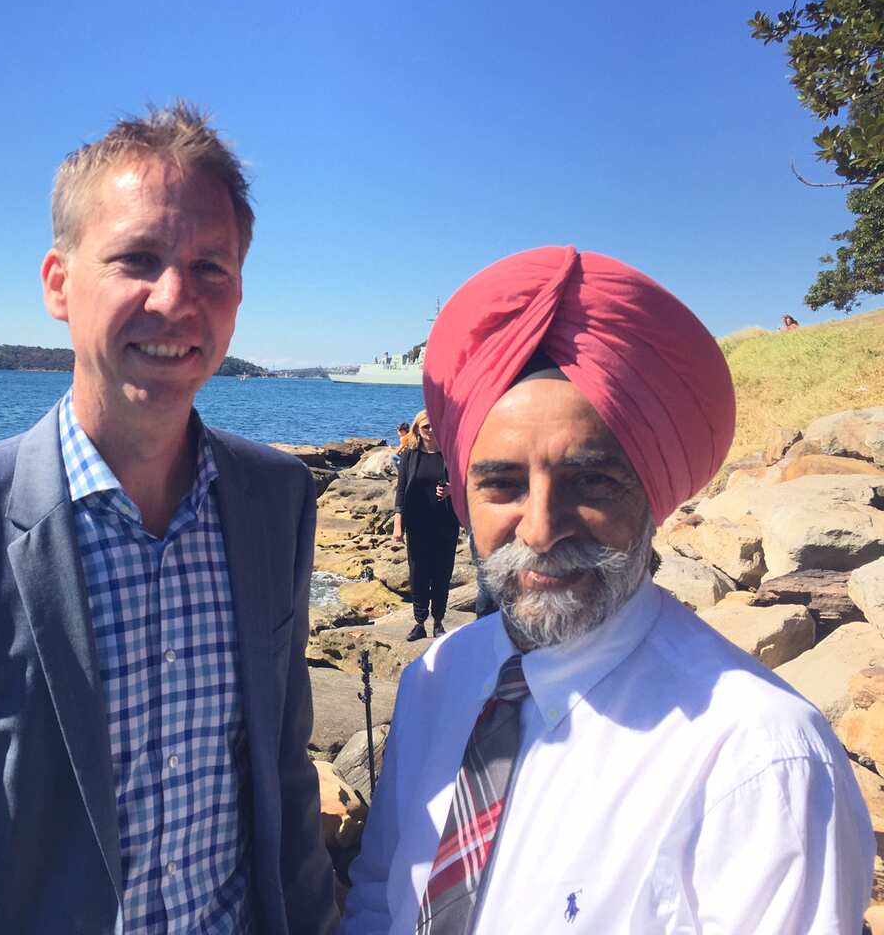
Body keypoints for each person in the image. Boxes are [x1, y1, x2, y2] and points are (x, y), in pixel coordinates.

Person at [0, 104, 337, 934]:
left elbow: (284, 789)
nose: (177, 299)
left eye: (210, 267)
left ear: (240, 292)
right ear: (58, 283)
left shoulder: (276, 500)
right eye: (137, 259)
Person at [340, 247, 873, 933]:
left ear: (655, 494)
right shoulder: (437, 679)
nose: (539, 528)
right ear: (463, 496)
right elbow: (381, 897)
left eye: (592, 482)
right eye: (501, 483)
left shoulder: (759, 757)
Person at [392, 410, 459, 641]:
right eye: (426, 427)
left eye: (434, 426)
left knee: (442, 572)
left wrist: (452, 490)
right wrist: (397, 524)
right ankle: (419, 622)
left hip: (446, 522)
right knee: (418, 573)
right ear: (417, 429)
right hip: (418, 522)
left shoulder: (451, 454)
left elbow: (468, 484)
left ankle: (438, 621)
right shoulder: (411, 455)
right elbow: (401, 490)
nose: (431, 431)